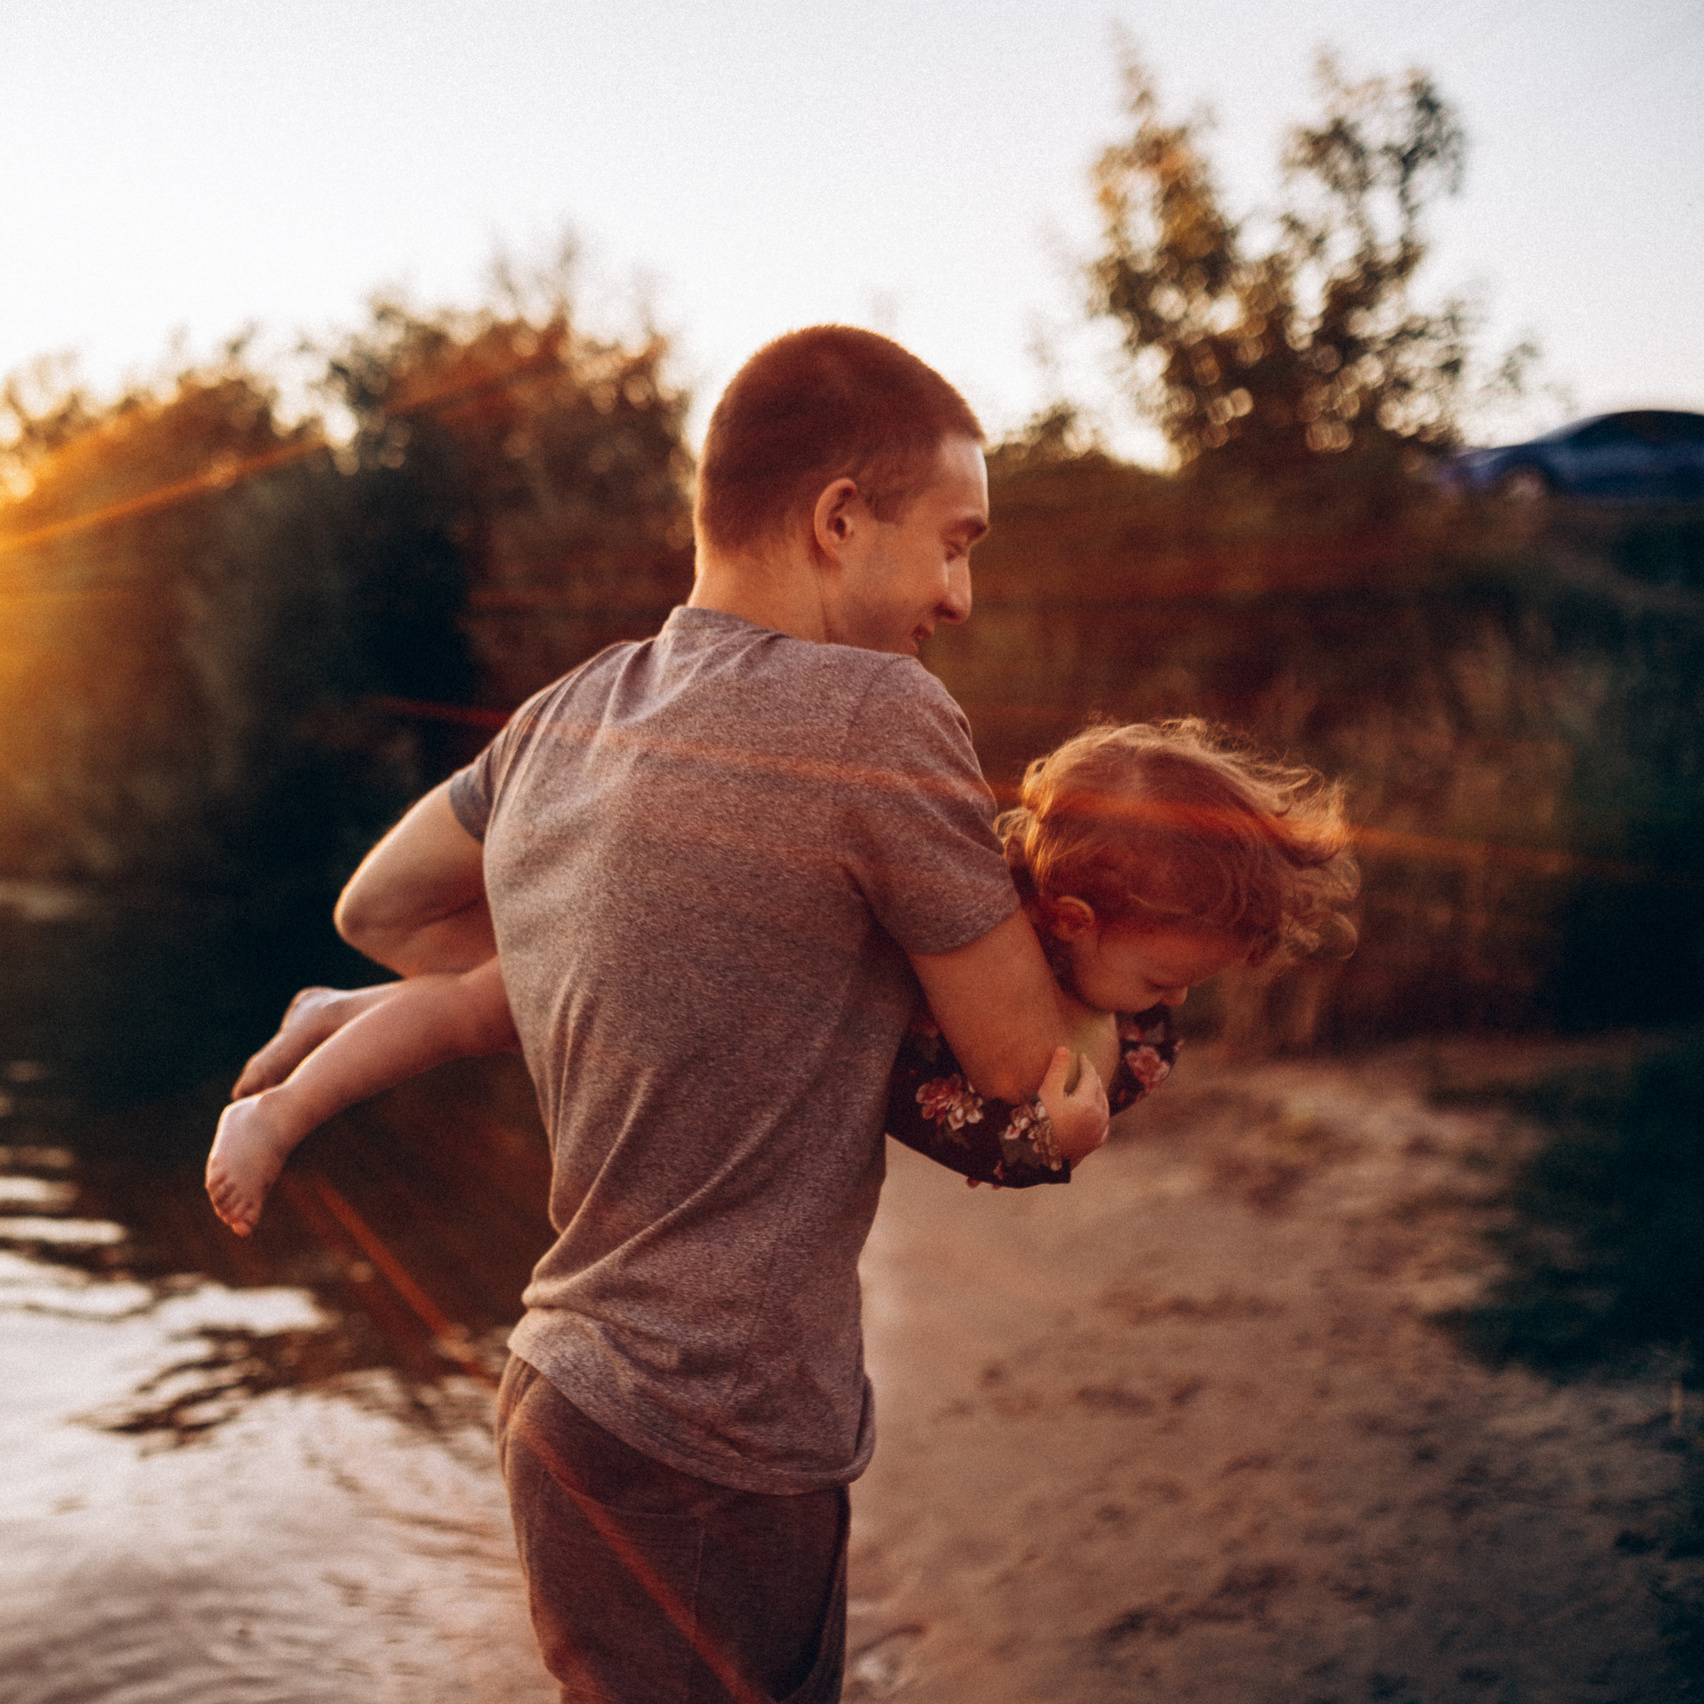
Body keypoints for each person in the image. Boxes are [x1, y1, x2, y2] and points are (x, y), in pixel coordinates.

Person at [270, 326, 1121, 1704]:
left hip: (564, 1397)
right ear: (840, 519)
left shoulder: (569, 715)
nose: (961, 596)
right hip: (717, 1434)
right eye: (955, 542)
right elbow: (1029, 1065)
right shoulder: (876, 709)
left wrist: (556, 964)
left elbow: (379, 914)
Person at [205, 716, 1357, 1232]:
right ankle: (280, 1112)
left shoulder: (1088, 980)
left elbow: (927, 1100)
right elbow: (945, 1116)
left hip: (712, 979)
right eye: (1162, 974)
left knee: (495, 1011)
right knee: (474, 1010)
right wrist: (1047, 1148)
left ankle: (341, 1007)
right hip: (699, 937)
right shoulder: (979, 930)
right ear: (1069, 914)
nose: (1167, 1004)